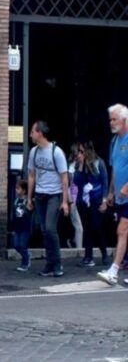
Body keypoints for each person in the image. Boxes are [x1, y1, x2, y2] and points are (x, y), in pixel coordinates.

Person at [26, 120, 70, 278]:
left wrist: (64, 202)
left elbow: (64, 178)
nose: (31, 134)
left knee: (51, 229)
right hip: (40, 195)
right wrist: (29, 197)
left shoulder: (56, 152)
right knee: (44, 231)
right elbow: (31, 175)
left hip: (54, 194)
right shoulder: (33, 152)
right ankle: (50, 263)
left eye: (32, 131)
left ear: (40, 133)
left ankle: (57, 263)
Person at [98, 104, 128, 286]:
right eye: (110, 119)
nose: (111, 123)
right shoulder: (115, 142)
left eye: (114, 119)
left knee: (122, 230)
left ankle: (113, 271)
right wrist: (110, 191)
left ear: (124, 120)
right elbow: (115, 169)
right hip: (121, 197)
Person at [70, 141, 108, 267]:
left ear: (87, 151)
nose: (79, 154)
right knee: (87, 228)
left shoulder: (98, 163)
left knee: (96, 226)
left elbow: (104, 181)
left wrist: (104, 200)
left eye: (81, 151)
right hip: (83, 201)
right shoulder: (78, 165)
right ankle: (88, 256)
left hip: (96, 199)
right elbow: (76, 181)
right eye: (78, 152)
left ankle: (104, 253)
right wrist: (80, 166)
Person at [12, 179, 32, 272]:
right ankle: (27, 255)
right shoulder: (16, 201)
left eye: (18, 188)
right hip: (17, 227)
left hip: (25, 227)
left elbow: (30, 212)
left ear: (24, 190)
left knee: (23, 245)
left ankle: (25, 263)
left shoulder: (28, 201)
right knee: (16, 245)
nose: (16, 190)